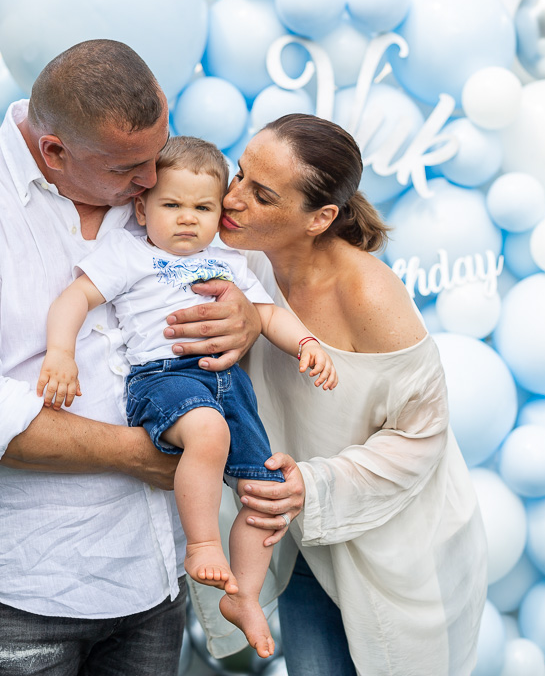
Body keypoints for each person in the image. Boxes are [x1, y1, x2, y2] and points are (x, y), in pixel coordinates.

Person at [0, 40, 261, 676]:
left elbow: (227, 286)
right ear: (54, 151)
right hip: (28, 589)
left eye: (157, 155)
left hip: (153, 573)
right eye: (129, 170)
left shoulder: (147, 192)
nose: (152, 180)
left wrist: (246, 320)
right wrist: (149, 456)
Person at [181, 114, 488, 675]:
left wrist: (313, 484)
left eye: (263, 194)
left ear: (320, 218)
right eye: (242, 173)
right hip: (304, 534)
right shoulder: (241, 261)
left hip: (401, 548)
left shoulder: (368, 294)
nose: (233, 197)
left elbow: (422, 435)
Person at [36, 136, 336, 658]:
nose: (186, 219)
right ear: (141, 206)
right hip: (163, 378)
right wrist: (59, 354)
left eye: (203, 208)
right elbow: (74, 299)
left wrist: (306, 341)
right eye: (171, 205)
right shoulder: (129, 254)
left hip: (229, 385)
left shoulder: (228, 260)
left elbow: (267, 316)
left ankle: (243, 595)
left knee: (265, 493)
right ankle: (201, 545)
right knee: (207, 431)